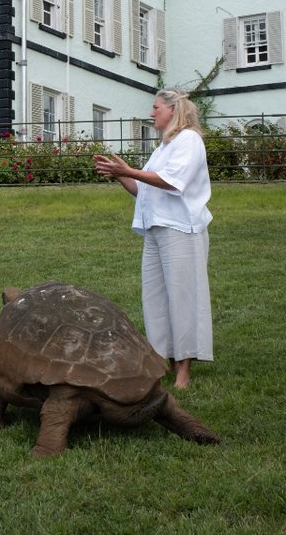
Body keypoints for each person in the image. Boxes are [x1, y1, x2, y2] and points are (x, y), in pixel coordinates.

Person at [93, 89, 213, 389]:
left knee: (182, 297)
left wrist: (129, 169)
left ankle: (184, 369)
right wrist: (118, 174)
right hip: (156, 229)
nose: (152, 113)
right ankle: (162, 360)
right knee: (155, 298)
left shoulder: (189, 140)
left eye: (156, 107)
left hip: (181, 229)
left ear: (173, 109)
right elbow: (143, 190)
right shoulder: (162, 148)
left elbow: (173, 182)